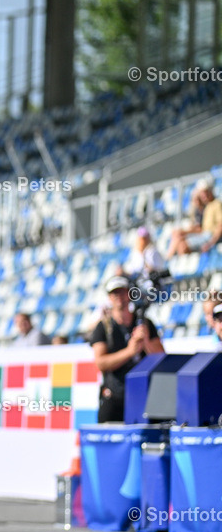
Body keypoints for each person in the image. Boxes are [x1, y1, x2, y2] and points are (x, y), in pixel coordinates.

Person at [90, 276, 165, 423]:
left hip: (144, 395)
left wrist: (146, 342)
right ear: (109, 297)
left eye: (123, 292)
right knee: (109, 439)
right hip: (115, 395)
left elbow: (161, 357)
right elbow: (100, 363)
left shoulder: (145, 323)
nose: (119, 297)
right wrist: (130, 352)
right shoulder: (103, 327)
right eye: (115, 293)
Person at [167, 179, 222, 257]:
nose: (204, 196)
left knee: (183, 245)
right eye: (202, 194)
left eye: (205, 192)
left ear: (210, 191)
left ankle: (168, 260)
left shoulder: (217, 204)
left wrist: (211, 243)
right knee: (179, 241)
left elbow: (220, 226)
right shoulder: (207, 206)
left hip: (210, 235)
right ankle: (169, 259)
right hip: (205, 234)